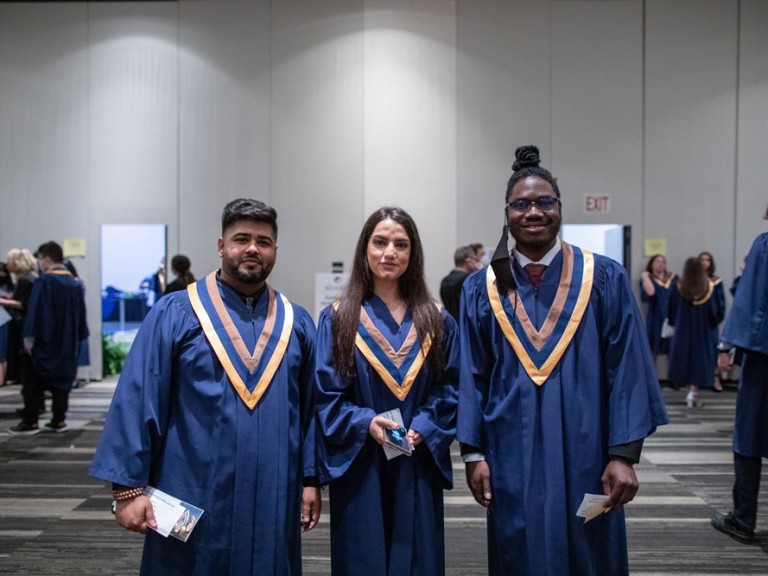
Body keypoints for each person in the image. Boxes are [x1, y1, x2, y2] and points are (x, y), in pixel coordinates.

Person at [457, 145, 668, 575]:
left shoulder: (604, 278)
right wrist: (473, 453)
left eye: (544, 201)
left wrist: (623, 454)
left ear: (559, 208)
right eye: (521, 204)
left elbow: (626, 365)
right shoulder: (481, 289)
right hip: (508, 446)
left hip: (587, 447)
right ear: (508, 213)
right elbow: (470, 374)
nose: (533, 211)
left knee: (589, 545)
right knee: (519, 543)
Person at [90, 198, 321, 575]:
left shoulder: (296, 323)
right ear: (221, 246)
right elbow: (139, 396)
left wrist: (311, 480)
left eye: (263, 242)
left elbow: (311, 409)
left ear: (274, 250)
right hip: (191, 485)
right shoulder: (177, 313)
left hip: (274, 490)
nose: (252, 248)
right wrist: (127, 488)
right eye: (241, 238)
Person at [314, 206, 460, 575]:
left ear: (413, 253)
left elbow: (451, 388)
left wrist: (425, 426)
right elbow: (326, 394)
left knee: (417, 557)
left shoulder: (437, 320)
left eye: (401, 244)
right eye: (379, 242)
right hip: (361, 461)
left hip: (416, 458)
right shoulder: (338, 319)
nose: (389, 252)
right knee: (363, 556)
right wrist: (367, 422)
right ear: (365, 249)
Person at [711, 226, 768, 544]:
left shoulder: (765, 245)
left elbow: (751, 299)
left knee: (749, 436)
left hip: (764, 359)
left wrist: (726, 345)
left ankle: (743, 519)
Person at [7, 242, 88, 434]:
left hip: (45, 339)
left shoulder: (45, 282)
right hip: (67, 340)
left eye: (40, 259)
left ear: (47, 258)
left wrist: (29, 339)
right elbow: (81, 317)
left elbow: (36, 312)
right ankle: (59, 420)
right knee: (62, 381)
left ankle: (31, 421)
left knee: (31, 381)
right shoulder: (74, 284)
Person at [666, 257, 725, 407]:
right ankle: (693, 391)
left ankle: (689, 391)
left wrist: (675, 323)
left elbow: (671, 311)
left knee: (685, 359)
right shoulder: (709, 288)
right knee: (699, 360)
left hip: (683, 330)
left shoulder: (678, 286)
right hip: (702, 331)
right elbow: (716, 312)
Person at [0, 249, 38, 392]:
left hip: (24, 326)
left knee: (27, 365)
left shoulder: (27, 280)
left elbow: (25, 304)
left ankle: (32, 405)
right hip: (23, 325)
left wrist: (5, 302)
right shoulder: (29, 279)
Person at [698, 250, 726, 391]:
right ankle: (698, 380)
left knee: (714, 349)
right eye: (702, 259)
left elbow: (721, 301)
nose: (704, 262)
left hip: (711, 322)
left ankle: (716, 379)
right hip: (697, 323)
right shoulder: (694, 281)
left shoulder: (716, 282)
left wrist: (717, 317)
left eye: (707, 260)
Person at [639, 254, 676, 360]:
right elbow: (650, 293)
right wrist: (645, 277)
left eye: (663, 262)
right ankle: (651, 376)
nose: (661, 264)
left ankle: (674, 376)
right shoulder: (648, 279)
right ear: (651, 264)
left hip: (670, 318)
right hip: (655, 318)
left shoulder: (673, 278)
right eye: (658, 261)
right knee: (652, 350)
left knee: (672, 349)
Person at [439, 245, 478, 320]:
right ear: (468, 261)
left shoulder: (445, 280)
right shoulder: (468, 281)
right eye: (476, 260)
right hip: (465, 326)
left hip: (449, 324)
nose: (477, 263)